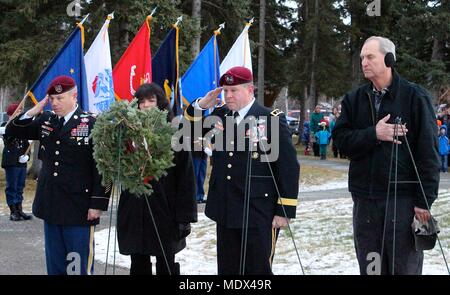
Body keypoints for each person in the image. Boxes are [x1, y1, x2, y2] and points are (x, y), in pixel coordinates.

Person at [332, 36, 440, 275]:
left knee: (404, 268)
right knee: (371, 268)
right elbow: (340, 142)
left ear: (389, 59)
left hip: (403, 202)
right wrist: (374, 134)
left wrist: (425, 200)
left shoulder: (415, 97)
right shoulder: (354, 99)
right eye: (361, 57)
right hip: (365, 202)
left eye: (370, 56)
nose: (364, 62)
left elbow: (428, 153)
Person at [183, 66, 300, 275]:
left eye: (234, 90)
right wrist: (201, 106)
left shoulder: (269, 119)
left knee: (257, 271)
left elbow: (288, 166)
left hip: (258, 211)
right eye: (225, 91)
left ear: (249, 90)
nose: (228, 96)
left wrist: (284, 210)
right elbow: (185, 135)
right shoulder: (219, 115)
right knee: (228, 271)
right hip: (226, 208)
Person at [5, 75, 110, 275]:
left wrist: (98, 203)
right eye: (52, 99)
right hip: (51, 204)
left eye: (60, 98)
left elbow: (104, 167)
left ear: (74, 96)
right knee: (56, 267)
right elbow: (12, 130)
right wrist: (34, 110)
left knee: (78, 267)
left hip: (79, 208)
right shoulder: (46, 120)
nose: (55, 103)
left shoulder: (92, 123)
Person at [117, 83, 197, 275]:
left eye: (151, 100)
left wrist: (185, 217)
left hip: (165, 209)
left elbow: (186, 179)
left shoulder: (175, 136)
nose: (145, 105)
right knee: (138, 261)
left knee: (166, 262)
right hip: (135, 208)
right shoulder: (127, 135)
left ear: (161, 104)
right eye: (141, 101)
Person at [1, 103, 32, 221]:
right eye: (18, 112)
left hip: (21, 161)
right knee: (12, 187)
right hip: (11, 161)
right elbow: (8, 138)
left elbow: (26, 144)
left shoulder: (23, 126)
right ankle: (13, 211)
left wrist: (27, 156)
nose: (20, 113)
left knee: (20, 186)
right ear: (11, 114)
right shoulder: (6, 126)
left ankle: (19, 209)